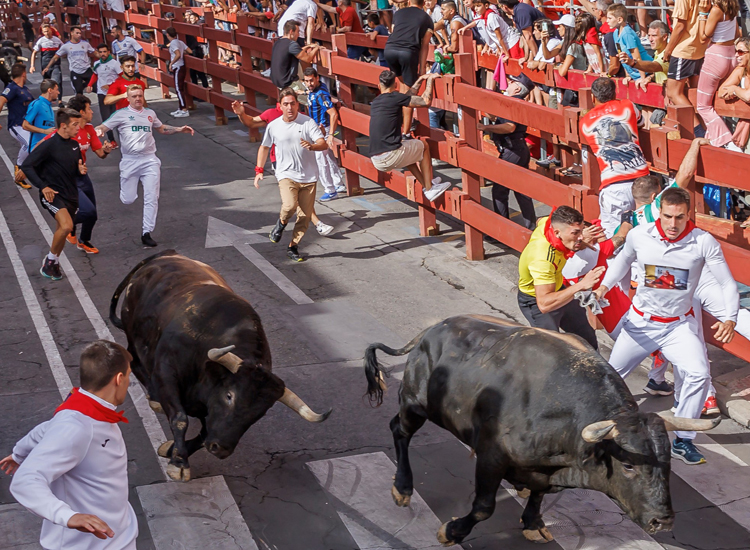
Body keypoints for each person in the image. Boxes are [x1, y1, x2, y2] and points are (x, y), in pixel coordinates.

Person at [594, 187, 738, 465]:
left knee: (698, 374)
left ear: (688, 214)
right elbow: (622, 262)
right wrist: (602, 288)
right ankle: (597, 429)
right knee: (609, 378)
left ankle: (683, 441)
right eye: (668, 216)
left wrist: (730, 317)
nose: (673, 224)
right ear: (658, 211)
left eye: (680, 218)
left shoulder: (703, 242)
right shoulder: (639, 235)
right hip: (640, 324)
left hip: (678, 327)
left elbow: (727, 283)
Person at [0, 340, 137, 549]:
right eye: (128, 376)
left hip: (120, 535)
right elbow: (25, 481)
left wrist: (20, 453)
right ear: (119, 379)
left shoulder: (84, 410)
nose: (128, 383)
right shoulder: (77, 427)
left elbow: (46, 428)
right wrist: (68, 516)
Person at [95, 86, 194, 247]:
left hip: (149, 160)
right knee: (128, 199)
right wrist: (97, 132)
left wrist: (178, 129)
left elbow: (161, 128)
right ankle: (129, 196)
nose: (138, 99)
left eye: (140, 95)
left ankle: (146, 232)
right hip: (129, 161)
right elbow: (103, 127)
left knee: (152, 197)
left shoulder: (150, 114)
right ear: (128, 98)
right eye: (134, 96)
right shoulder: (121, 115)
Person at [254, 88, 328, 262]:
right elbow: (264, 147)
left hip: (309, 177)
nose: (289, 108)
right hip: (286, 174)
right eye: (286, 104)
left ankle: (293, 246)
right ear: (280, 106)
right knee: (289, 206)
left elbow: (322, 143)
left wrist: (313, 146)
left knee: (304, 217)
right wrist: (259, 170)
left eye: (292, 104)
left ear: (297, 105)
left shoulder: (308, 122)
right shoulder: (274, 126)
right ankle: (281, 224)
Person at [517, 205, 604, 350]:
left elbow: (540, 220)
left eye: (582, 231)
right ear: (557, 233)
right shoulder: (543, 259)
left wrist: (578, 241)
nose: (581, 237)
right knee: (551, 349)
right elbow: (544, 304)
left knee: (586, 336)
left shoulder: (549, 223)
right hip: (537, 300)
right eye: (576, 233)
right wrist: (581, 285)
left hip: (558, 288)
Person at [580, 77, 649, 237]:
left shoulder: (585, 121)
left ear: (593, 97)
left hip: (613, 185)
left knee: (615, 239)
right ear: (614, 92)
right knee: (647, 235)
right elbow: (641, 122)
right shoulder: (627, 105)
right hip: (641, 180)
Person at [21, 108, 85, 281]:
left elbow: (75, 170)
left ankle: (53, 262)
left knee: (63, 231)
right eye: (74, 125)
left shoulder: (74, 145)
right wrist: (43, 187)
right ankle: (49, 261)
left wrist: (80, 170)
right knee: (66, 226)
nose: (78, 128)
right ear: (63, 126)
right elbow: (27, 166)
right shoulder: (49, 145)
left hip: (71, 194)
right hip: (52, 194)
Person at [369, 71, 450, 202]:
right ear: (395, 85)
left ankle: (426, 183)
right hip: (391, 155)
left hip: (376, 160)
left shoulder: (376, 102)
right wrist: (430, 80)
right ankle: (430, 189)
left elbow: (406, 97)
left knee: (409, 152)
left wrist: (420, 80)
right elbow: (425, 101)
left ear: (379, 86)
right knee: (423, 146)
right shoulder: (395, 98)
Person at [477, 74, 537, 229]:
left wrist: (485, 127)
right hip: (517, 149)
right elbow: (503, 121)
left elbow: (510, 127)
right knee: (521, 190)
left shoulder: (514, 103)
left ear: (517, 88)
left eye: (512, 82)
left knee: (500, 190)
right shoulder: (514, 102)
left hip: (512, 150)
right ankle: (530, 227)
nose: (508, 83)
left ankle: (501, 228)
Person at [59, 95, 112, 254]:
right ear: (81, 112)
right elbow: (47, 145)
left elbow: (100, 153)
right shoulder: (68, 130)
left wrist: (106, 151)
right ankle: (67, 225)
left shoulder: (89, 129)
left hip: (83, 175)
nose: (92, 112)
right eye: (89, 109)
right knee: (87, 211)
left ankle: (83, 241)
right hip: (68, 177)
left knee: (92, 213)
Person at [384, 0, 435, 136]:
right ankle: (406, 132)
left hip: (389, 50)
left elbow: (394, 32)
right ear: (424, 3)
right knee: (409, 92)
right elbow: (424, 46)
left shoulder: (398, 13)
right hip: (407, 52)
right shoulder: (427, 19)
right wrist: (422, 69)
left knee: (402, 86)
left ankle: (395, 123)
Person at [695, 0, 741, 150]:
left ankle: (727, 141)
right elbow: (736, 34)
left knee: (702, 106)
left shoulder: (716, 9)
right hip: (730, 56)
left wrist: (702, 13)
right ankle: (714, 139)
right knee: (715, 103)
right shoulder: (733, 7)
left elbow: (703, 38)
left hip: (715, 57)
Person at [663, 0, 707, 134]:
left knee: (673, 92)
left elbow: (680, 26)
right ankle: (704, 129)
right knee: (693, 94)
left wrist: (668, 49)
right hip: (699, 49)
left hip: (684, 49)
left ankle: (698, 131)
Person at [302, 68, 345, 201]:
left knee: (320, 160)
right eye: (306, 81)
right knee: (329, 157)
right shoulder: (316, 89)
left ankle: (330, 190)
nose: (309, 83)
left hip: (322, 130)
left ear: (317, 78)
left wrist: (331, 134)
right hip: (317, 128)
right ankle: (338, 183)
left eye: (311, 80)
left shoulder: (320, 94)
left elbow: (333, 114)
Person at [0, 63, 35, 187]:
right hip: (16, 125)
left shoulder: (25, 89)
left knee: (33, 146)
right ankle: (19, 167)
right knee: (29, 143)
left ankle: (22, 176)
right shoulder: (12, 88)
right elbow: (1, 100)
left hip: (28, 126)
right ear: (23, 74)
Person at [42, 26, 96, 96]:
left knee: (97, 88)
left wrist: (105, 56)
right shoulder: (66, 46)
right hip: (75, 71)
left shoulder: (85, 44)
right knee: (78, 92)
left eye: (80, 33)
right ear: (72, 33)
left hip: (86, 70)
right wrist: (48, 67)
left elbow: (95, 53)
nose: (79, 35)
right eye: (77, 33)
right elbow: (55, 57)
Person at [618, 20, 670, 91]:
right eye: (649, 35)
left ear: (664, 37)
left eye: (654, 36)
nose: (650, 39)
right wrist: (649, 78)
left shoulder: (667, 54)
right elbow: (659, 72)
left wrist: (633, 63)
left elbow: (653, 66)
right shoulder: (657, 52)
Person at [607, 4, 652, 83]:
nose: (607, 21)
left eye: (610, 18)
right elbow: (621, 55)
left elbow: (637, 57)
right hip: (634, 74)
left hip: (647, 71)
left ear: (620, 19)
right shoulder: (615, 33)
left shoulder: (627, 34)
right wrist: (628, 76)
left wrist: (643, 78)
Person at [86, 43, 121, 144]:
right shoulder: (97, 63)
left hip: (114, 94)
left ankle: (123, 139)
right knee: (105, 117)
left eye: (104, 52)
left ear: (108, 52)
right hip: (101, 93)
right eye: (100, 52)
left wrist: (111, 87)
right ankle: (112, 140)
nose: (103, 54)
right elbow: (95, 75)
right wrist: (90, 84)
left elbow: (121, 77)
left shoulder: (115, 63)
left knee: (117, 116)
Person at [270, 21, 320, 90]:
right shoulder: (292, 44)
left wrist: (308, 46)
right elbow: (308, 58)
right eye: (298, 32)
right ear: (291, 32)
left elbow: (294, 52)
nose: (298, 34)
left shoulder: (278, 42)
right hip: (289, 83)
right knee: (310, 98)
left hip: (278, 83)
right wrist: (317, 47)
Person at [23, 79, 59, 153]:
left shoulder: (48, 105)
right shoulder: (37, 104)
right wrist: (44, 131)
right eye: (57, 90)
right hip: (37, 150)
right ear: (50, 90)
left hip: (47, 149)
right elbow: (25, 125)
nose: (58, 92)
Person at [30, 24, 63, 104]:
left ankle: (59, 100)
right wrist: (32, 65)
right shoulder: (41, 40)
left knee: (57, 81)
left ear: (51, 30)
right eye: (45, 31)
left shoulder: (57, 40)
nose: (47, 33)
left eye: (48, 31)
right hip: (45, 63)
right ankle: (48, 99)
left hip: (55, 64)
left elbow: (64, 49)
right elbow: (34, 52)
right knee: (47, 83)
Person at [166, 27, 190, 118]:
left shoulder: (173, 43)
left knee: (178, 88)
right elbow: (189, 51)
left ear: (168, 35)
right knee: (179, 87)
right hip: (182, 66)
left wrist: (171, 63)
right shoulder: (180, 42)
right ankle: (181, 107)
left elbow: (178, 54)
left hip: (177, 66)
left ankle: (184, 109)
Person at [184, 10, 209, 89]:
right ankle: (203, 88)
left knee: (196, 72)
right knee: (196, 72)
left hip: (194, 51)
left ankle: (201, 89)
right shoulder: (189, 27)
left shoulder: (189, 28)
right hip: (195, 49)